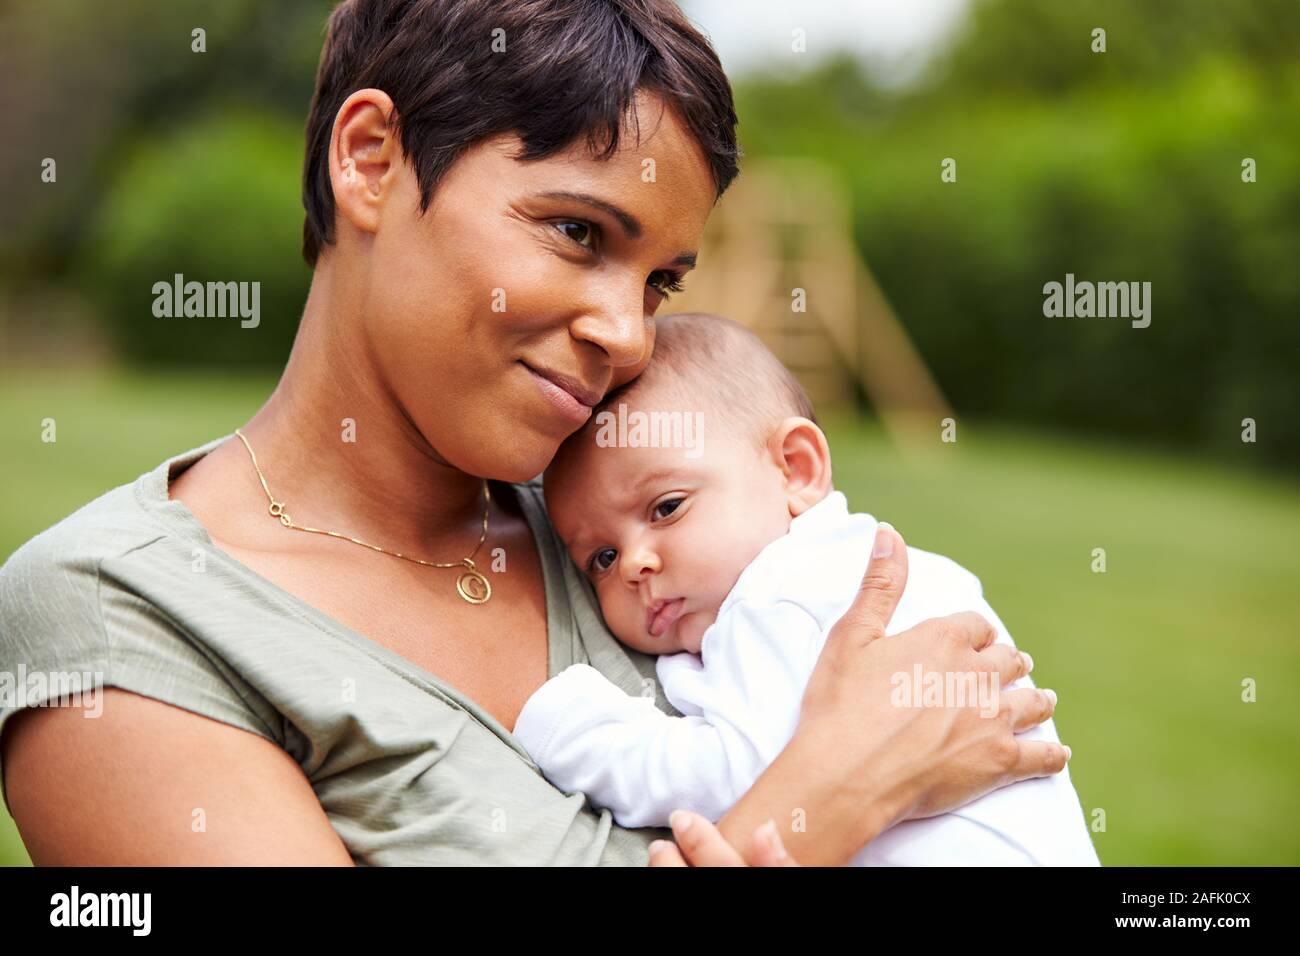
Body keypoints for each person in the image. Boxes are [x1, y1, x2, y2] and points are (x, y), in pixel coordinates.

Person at [0, 0, 1067, 866]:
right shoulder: (124, 615)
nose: (626, 334)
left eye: (659, 282)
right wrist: (833, 791)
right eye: (575, 231)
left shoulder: (626, 527)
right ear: (370, 159)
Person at [515, 313, 1098, 865]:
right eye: (602, 557)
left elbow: (745, 778)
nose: (634, 565)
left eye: (667, 508)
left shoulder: (784, 592)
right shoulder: (856, 560)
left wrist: (570, 730)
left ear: (795, 469)